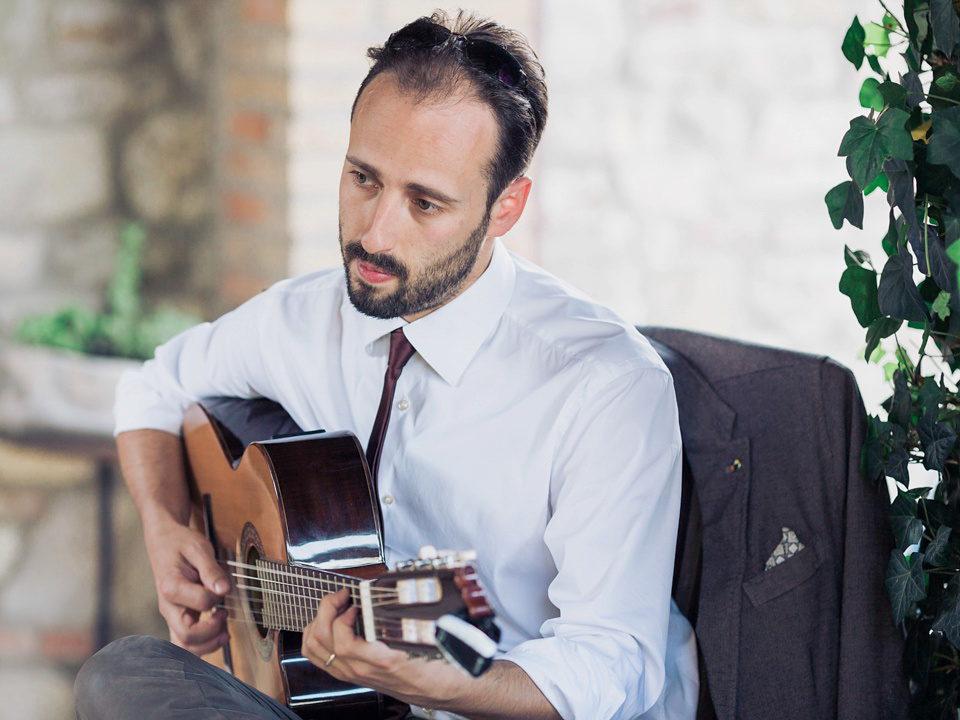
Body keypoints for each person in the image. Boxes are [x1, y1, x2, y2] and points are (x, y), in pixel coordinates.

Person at [74, 9, 698, 720]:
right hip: (340, 707)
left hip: (490, 708)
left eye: (424, 202)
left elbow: (613, 660)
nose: (375, 233)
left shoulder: (603, 385)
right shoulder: (306, 319)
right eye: (363, 178)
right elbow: (156, 388)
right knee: (122, 675)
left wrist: (444, 683)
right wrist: (165, 528)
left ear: (506, 207)